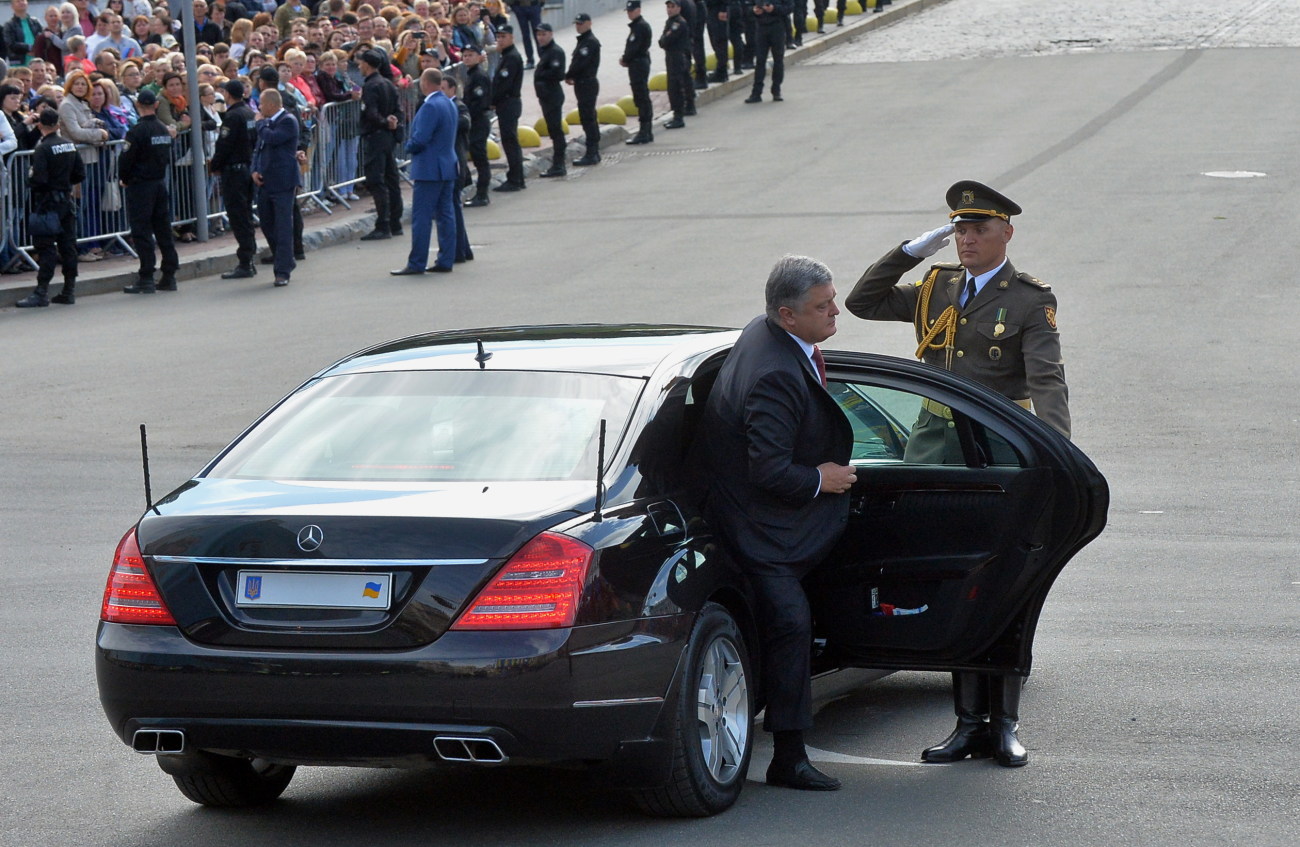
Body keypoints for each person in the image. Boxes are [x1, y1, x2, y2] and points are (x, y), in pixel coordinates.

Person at [845, 181, 1070, 768]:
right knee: (952, 583)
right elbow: (861, 302)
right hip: (933, 452)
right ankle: (967, 724)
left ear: (1006, 234)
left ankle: (1004, 726)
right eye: (959, 230)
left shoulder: (1027, 300)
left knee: (1004, 581)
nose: (966, 240)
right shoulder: (936, 285)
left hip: (996, 451)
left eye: (978, 230)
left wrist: (1056, 456)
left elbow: (1047, 381)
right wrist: (911, 251)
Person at [694, 255, 855, 791]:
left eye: (832, 297)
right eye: (822, 306)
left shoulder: (763, 335)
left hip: (760, 518)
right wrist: (821, 479)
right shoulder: (775, 374)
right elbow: (768, 469)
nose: (837, 311)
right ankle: (789, 756)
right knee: (790, 626)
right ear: (787, 315)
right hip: (762, 531)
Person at [391, 67, 458, 276]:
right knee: (446, 215)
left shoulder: (430, 106)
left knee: (422, 216)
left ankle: (417, 262)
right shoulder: (449, 103)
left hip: (430, 168)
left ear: (425, 83)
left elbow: (421, 139)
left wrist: (408, 145)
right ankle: (446, 258)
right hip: (447, 165)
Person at [14, 110, 83, 308]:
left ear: (40, 125)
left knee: (45, 248)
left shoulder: (43, 148)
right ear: (58, 123)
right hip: (65, 201)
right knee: (68, 246)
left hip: (47, 203)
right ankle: (68, 290)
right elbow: (79, 173)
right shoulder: (69, 145)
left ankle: (41, 291)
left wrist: (31, 183)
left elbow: (38, 179)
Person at [117, 88, 179, 294]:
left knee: (142, 231)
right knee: (163, 229)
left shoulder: (137, 131)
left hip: (141, 185)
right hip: (159, 183)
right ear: (155, 105)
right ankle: (169, 274)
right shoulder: (163, 129)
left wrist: (124, 179)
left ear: (137, 106)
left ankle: (146, 276)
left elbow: (126, 159)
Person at [211, 79, 259, 279]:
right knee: (245, 214)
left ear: (228, 95)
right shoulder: (249, 113)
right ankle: (249, 257)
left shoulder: (232, 116)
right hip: (247, 168)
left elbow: (224, 145)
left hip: (235, 171)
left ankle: (246, 261)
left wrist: (214, 166)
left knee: (239, 216)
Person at [251, 87, 300, 286]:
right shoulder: (268, 123)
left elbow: (272, 138)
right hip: (265, 181)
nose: (260, 108)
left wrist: (260, 123)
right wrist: (254, 170)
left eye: (262, 104)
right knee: (267, 223)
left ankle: (282, 271)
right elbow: (258, 149)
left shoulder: (287, 121)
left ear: (271, 104)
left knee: (282, 226)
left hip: (283, 181)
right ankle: (285, 258)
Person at [356, 47, 403, 240]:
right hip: (388, 137)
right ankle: (395, 221)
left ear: (367, 64)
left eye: (360, 63)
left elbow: (371, 113)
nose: (359, 66)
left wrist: (385, 122)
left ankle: (384, 223)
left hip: (376, 136)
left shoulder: (371, 86)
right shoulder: (388, 84)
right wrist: (393, 122)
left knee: (377, 179)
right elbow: (399, 111)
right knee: (391, 177)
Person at [489, 24, 524, 192]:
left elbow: (504, 85)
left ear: (511, 37)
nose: (500, 40)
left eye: (503, 37)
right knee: (510, 141)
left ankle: (516, 178)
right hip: (507, 103)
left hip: (508, 103)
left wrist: (492, 100)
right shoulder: (506, 56)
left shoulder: (511, 57)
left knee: (510, 141)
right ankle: (517, 176)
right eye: (498, 37)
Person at [565, 13, 601, 167]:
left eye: (581, 23)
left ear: (589, 23)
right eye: (577, 24)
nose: (578, 26)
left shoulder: (589, 42)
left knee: (588, 118)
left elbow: (580, 63)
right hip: (582, 83)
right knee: (587, 116)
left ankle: (592, 152)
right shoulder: (584, 41)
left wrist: (569, 75)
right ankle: (593, 151)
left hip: (587, 82)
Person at [459, 41, 491, 206]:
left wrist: (467, 114)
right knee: (477, 156)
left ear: (479, 57)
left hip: (478, 120)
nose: (467, 58)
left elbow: (479, 101)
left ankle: (482, 194)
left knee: (480, 157)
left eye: (471, 55)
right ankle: (479, 191)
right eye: (465, 55)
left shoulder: (478, 75)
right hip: (475, 120)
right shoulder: (472, 74)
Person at [532, 22, 565, 177]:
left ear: (551, 34)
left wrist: (540, 76)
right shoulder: (545, 51)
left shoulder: (555, 52)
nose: (541, 38)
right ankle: (557, 163)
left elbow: (558, 73)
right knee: (553, 130)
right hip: (546, 95)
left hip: (552, 95)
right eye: (538, 35)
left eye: (544, 34)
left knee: (556, 130)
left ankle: (559, 164)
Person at [620, 0, 653, 145]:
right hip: (636, 64)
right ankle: (645, 130)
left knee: (641, 96)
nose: (629, 13)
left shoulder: (641, 27)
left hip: (639, 63)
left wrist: (625, 58)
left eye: (632, 10)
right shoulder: (636, 26)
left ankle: (645, 130)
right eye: (628, 11)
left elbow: (636, 47)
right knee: (639, 96)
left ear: (639, 10)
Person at [745, 0, 787, 103]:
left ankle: (776, 90)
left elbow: (789, 7)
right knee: (760, 61)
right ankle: (756, 93)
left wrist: (774, 9)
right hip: (761, 28)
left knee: (778, 60)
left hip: (777, 27)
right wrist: (754, 11)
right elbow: (746, 8)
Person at [659, 0, 690, 130]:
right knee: (672, 87)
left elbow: (665, 40)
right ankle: (676, 115)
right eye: (668, 7)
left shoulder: (678, 23)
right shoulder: (670, 21)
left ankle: (679, 117)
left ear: (679, 8)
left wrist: (664, 39)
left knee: (676, 87)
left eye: (673, 7)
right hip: (671, 57)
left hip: (677, 57)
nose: (670, 9)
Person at [4, 0, 45, 68]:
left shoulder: (35, 22)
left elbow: (42, 39)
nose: (21, 2)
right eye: (18, 1)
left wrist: (37, 49)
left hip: (37, 61)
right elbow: (11, 44)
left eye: (23, 0)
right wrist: (30, 48)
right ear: (12, 6)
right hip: (18, 63)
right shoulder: (9, 25)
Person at [506, 0, 541, 69]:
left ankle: (543, 59)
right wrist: (512, 5)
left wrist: (541, 3)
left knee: (538, 34)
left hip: (534, 5)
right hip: (520, 7)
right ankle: (530, 60)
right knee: (525, 35)